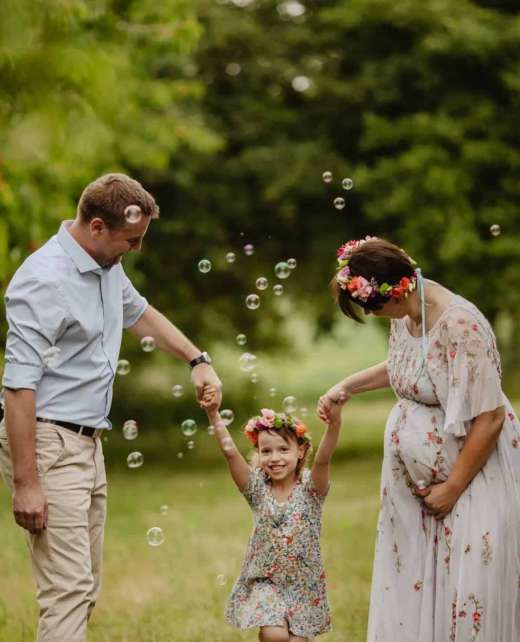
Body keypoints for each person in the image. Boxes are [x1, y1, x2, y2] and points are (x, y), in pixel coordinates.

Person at [0, 173, 222, 642]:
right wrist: (26, 483)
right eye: (131, 240)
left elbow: (138, 313)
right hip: (48, 443)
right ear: (97, 227)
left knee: (84, 587)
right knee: (68, 590)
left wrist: (196, 359)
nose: (136, 250)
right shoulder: (44, 281)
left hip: (86, 442)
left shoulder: (104, 266)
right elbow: (18, 388)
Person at [318, 236, 520, 642]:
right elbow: (408, 364)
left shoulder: (459, 325)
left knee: (466, 589)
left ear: (400, 287)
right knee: (421, 583)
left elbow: (490, 416)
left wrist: (452, 486)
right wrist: (348, 386)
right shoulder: (407, 313)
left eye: (373, 306)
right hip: (419, 491)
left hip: (471, 480)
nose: (373, 315)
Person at [203, 386, 341, 642]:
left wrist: (334, 425)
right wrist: (214, 415)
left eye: (283, 449)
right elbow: (230, 453)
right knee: (274, 635)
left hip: (304, 585)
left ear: (300, 451)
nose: (274, 458)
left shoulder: (312, 490)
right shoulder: (256, 488)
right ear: (258, 454)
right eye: (266, 451)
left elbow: (323, 460)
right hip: (266, 582)